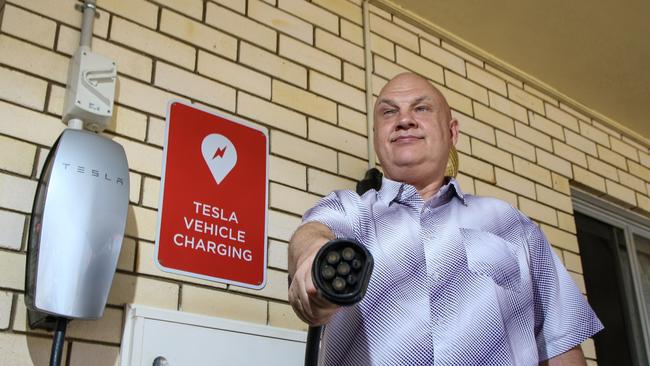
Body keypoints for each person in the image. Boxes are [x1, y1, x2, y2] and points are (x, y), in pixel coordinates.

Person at [288, 72, 603, 365]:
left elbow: (560, 342)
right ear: (376, 136)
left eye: (422, 109)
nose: (404, 120)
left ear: (452, 132)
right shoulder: (349, 210)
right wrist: (313, 261)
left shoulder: (511, 224)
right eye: (388, 112)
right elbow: (311, 234)